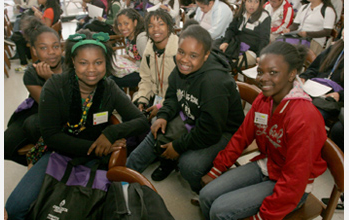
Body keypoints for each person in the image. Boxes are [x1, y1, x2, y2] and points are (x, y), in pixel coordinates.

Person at [5, 30, 150, 220]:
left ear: (106, 64)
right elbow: (51, 136)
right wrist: (93, 147)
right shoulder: (55, 86)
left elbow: (141, 122)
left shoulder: (109, 88)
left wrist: (110, 132)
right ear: (73, 62)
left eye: (98, 62)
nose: (91, 69)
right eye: (83, 62)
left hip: (94, 159)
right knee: (15, 208)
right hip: (57, 153)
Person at [199, 41, 327, 220]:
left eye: (273, 72)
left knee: (219, 210)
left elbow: (294, 181)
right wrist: (217, 168)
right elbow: (242, 136)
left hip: (292, 186)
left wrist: (263, 216)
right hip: (268, 164)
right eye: (260, 72)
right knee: (205, 195)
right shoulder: (264, 100)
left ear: (292, 75)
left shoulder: (305, 117)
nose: (263, 78)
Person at [126, 25, 245, 193]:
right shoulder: (182, 67)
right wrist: (164, 115)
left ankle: (206, 192)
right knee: (156, 129)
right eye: (181, 52)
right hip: (194, 117)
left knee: (189, 165)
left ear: (206, 55)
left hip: (223, 131)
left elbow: (210, 131)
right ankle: (123, 176)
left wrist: (178, 146)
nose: (184, 60)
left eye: (193, 55)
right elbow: (173, 96)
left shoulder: (214, 83)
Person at [4, 17, 64, 166]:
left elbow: (66, 106)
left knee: (33, 125)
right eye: (43, 48)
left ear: (61, 47)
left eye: (55, 46)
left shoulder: (72, 65)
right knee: (6, 144)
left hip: (69, 110)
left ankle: (54, 159)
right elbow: (46, 104)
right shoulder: (32, 72)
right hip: (40, 106)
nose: (51, 52)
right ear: (34, 50)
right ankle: (42, 160)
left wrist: (52, 78)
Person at [132, 9, 179, 121]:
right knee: (133, 113)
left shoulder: (178, 53)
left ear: (169, 27)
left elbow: (180, 89)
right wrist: (142, 99)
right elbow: (146, 79)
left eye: (161, 24)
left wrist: (161, 105)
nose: (156, 29)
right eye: (151, 26)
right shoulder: (149, 52)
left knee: (154, 122)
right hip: (154, 98)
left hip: (174, 103)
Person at [299, 34, 343, 121]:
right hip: (314, 88)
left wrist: (340, 95)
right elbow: (314, 68)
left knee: (311, 115)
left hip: (331, 98)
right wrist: (304, 77)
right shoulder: (334, 47)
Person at [13, 0, 62, 72]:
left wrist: (39, 17)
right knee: (18, 35)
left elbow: (46, 29)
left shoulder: (49, 10)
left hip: (44, 36)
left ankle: (24, 63)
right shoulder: (52, 9)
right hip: (47, 34)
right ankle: (28, 58)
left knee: (18, 38)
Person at [218, 0, 271, 66]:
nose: (252, 5)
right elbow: (231, 29)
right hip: (234, 46)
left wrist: (260, 56)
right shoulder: (241, 13)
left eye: (256, 2)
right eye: (249, 1)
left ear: (260, 3)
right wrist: (226, 42)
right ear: (244, 2)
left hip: (250, 51)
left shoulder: (264, 16)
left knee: (226, 64)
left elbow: (264, 39)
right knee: (215, 56)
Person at [110, 8, 148, 90]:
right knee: (110, 77)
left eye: (126, 23)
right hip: (136, 70)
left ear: (135, 22)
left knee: (110, 82)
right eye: (119, 24)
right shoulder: (129, 37)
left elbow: (151, 64)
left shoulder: (141, 39)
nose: (123, 28)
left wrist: (135, 62)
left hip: (145, 76)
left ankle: (123, 101)